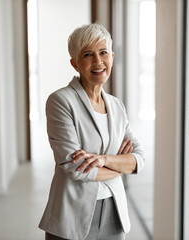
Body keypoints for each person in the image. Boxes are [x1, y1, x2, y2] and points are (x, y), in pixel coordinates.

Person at [38, 24, 145, 240]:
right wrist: (120, 165)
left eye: (103, 52)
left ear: (112, 57)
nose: (98, 61)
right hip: (72, 214)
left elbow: (139, 159)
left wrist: (103, 159)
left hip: (114, 213)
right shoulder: (60, 101)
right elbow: (75, 168)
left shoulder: (117, 106)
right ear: (75, 63)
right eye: (88, 54)